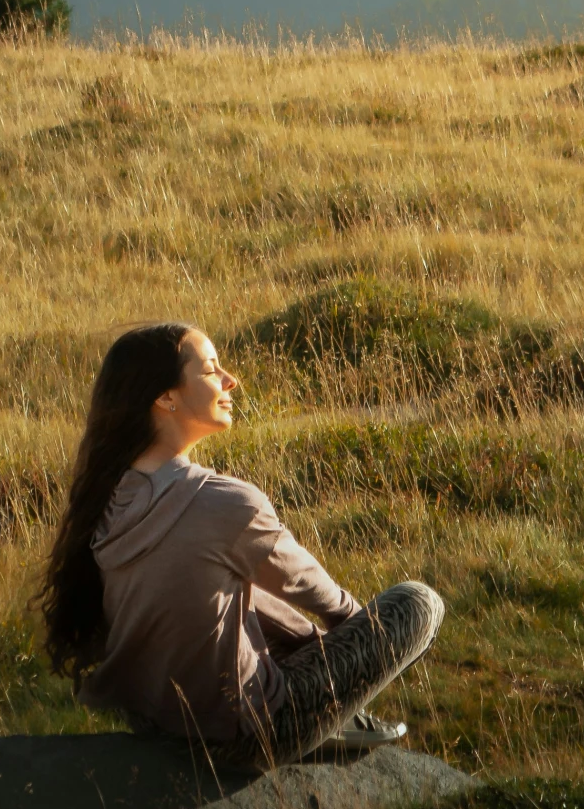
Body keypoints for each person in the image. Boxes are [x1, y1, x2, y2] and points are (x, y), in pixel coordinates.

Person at [40, 321, 444, 765]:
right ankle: (331, 725)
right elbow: (333, 605)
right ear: (165, 397)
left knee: (237, 592)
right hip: (249, 734)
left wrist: (311, 647)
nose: (232, 380)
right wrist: (362, 657)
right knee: (419, 603)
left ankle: (337, 720)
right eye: (212, 370)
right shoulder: (230, 505)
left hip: (154, 725)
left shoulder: (104, 499)